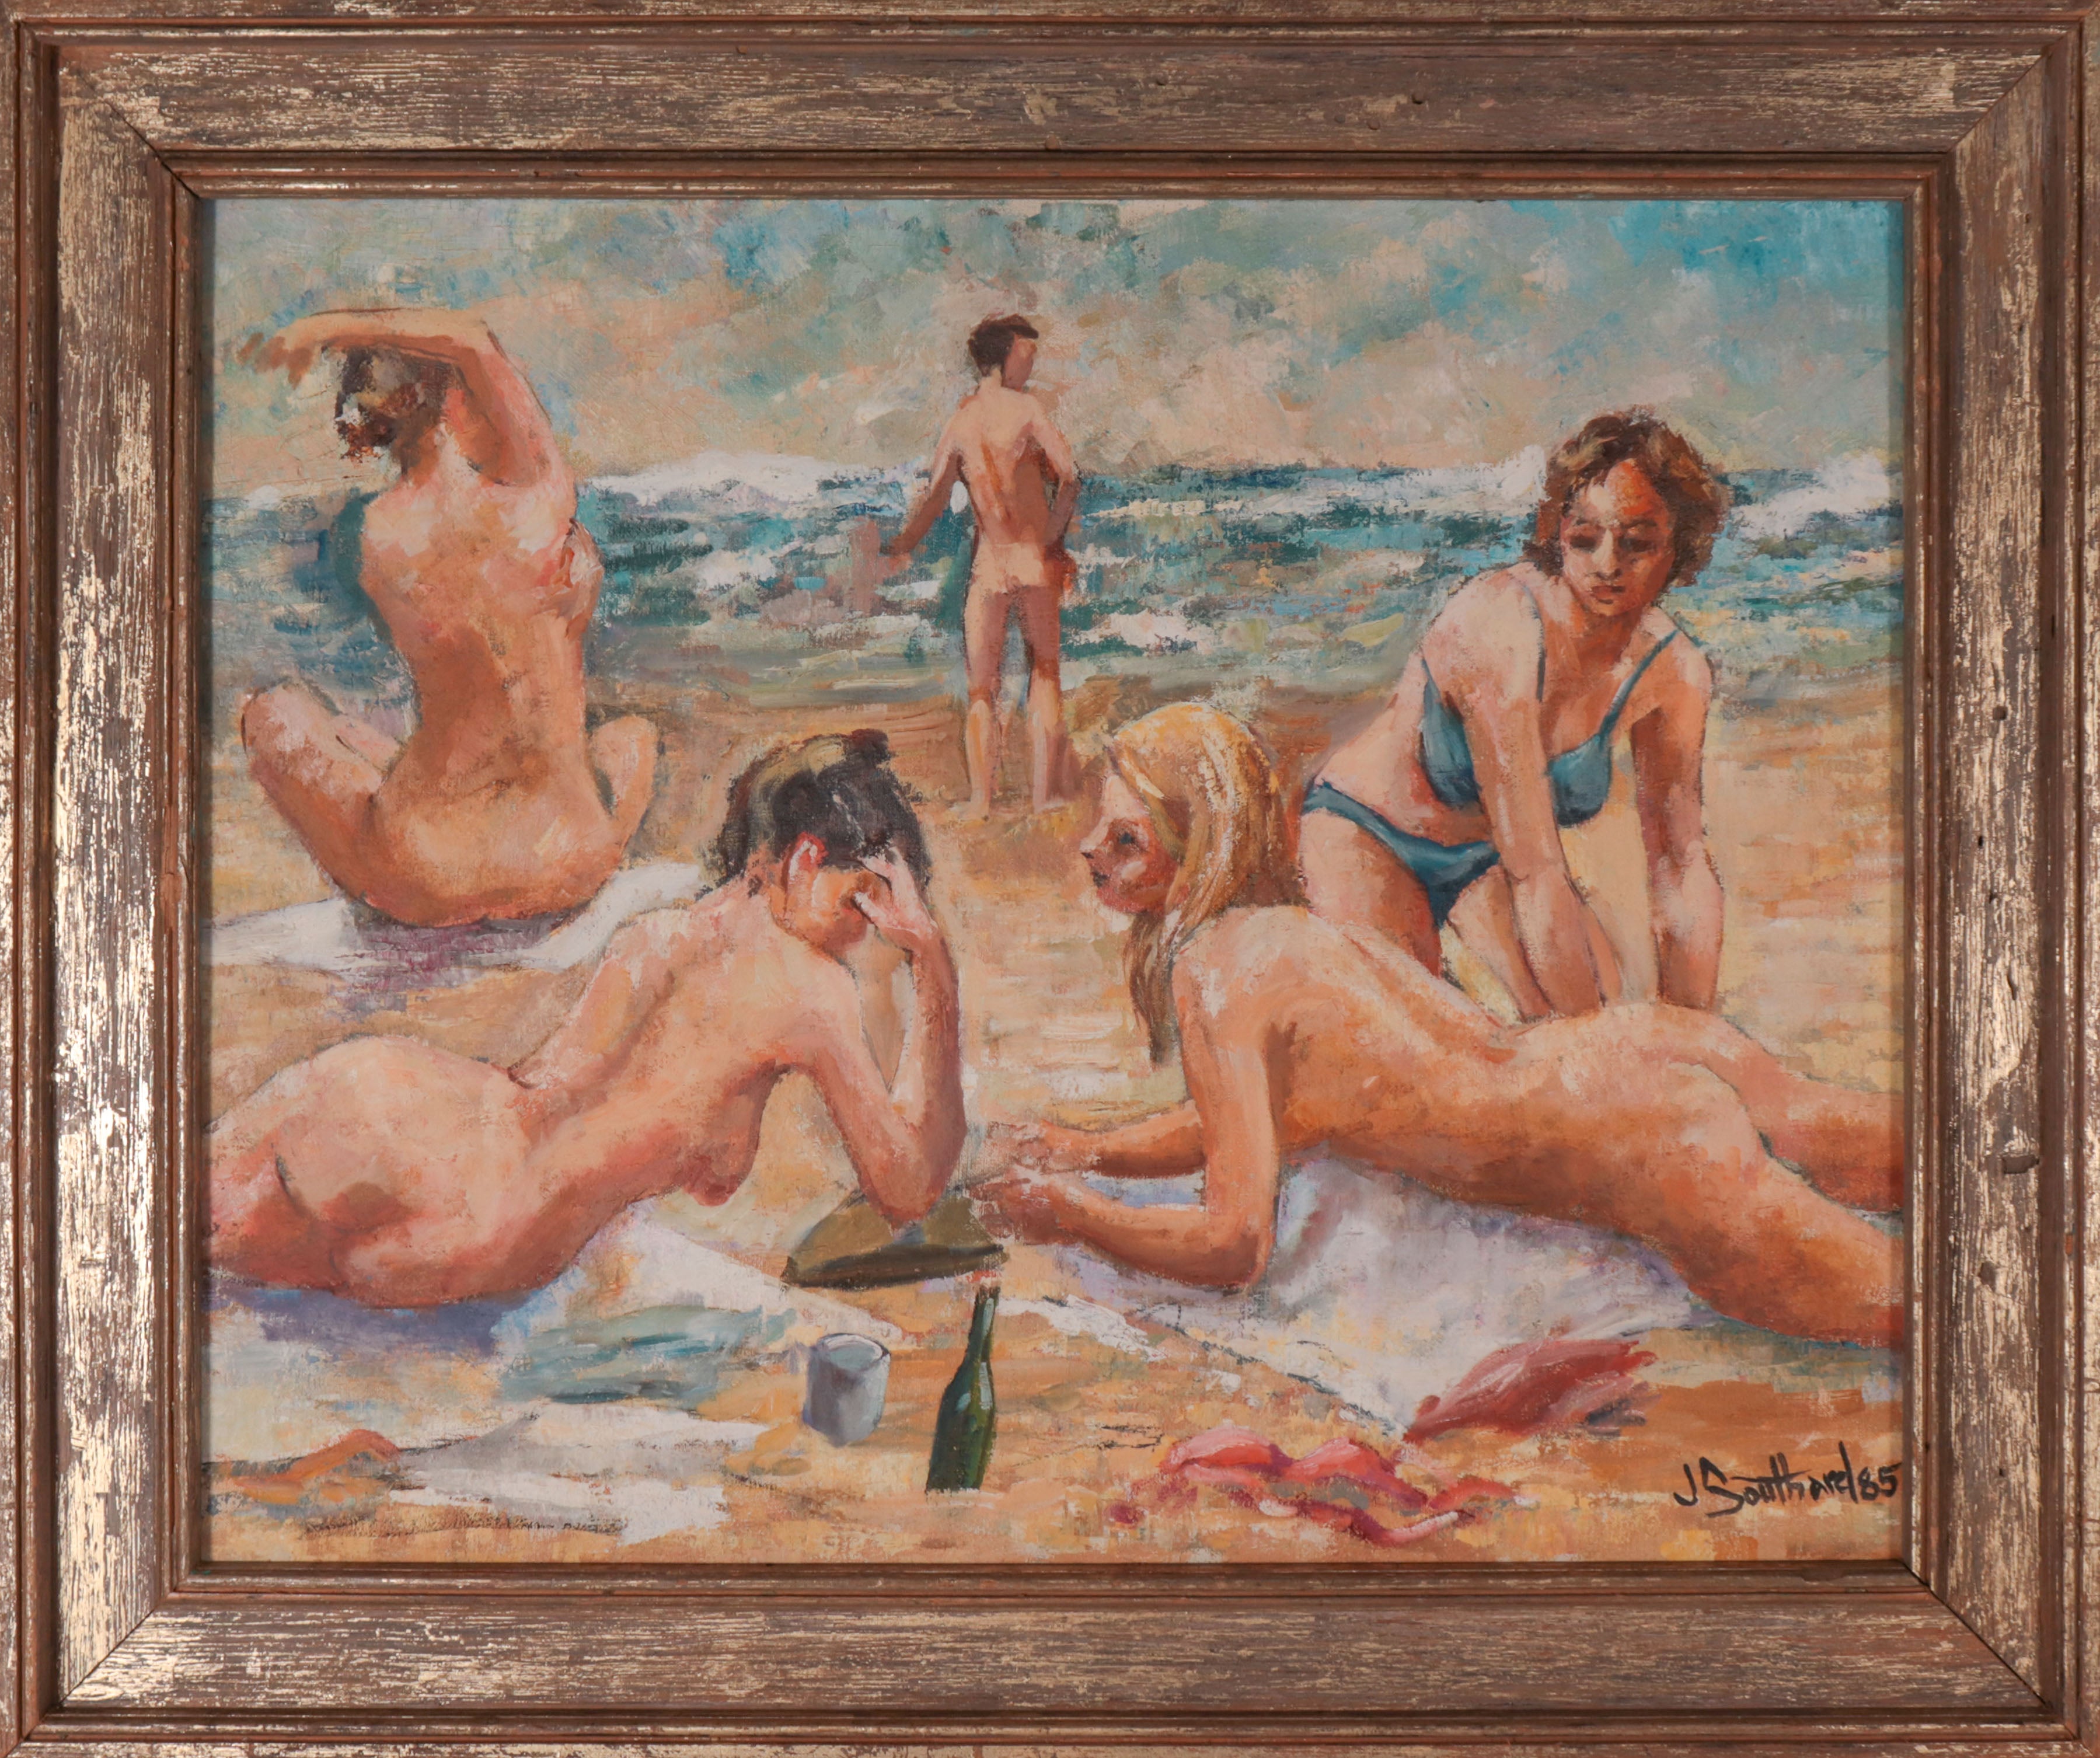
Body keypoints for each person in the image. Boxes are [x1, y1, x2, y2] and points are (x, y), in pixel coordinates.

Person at [975, 704, 1901, 1348]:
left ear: (1197, 849)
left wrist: (1071, 1214)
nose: (1089, 852)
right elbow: (1254, 1120)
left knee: (1927, 1316)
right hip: (1632, 1050)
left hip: (1636, 1139)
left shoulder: (1214, 975)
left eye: (1125, 838)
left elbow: (1232, 1245)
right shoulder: (1293, 935)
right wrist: (1087, 1150)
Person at [208, 732, 964, 1308]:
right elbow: (905, 1188)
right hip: (484, 1226)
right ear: (804, 860)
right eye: (861, 902)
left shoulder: (659, 934)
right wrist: (933, 964)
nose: (866, 935)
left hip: (396, 1093)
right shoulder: (810, 988)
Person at [1300, 410, 1729, 1018]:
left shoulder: (1673, 670)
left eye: (1637, 543)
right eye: (1585, 538)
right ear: (1557, 532)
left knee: (1612, 1018)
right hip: (1370, 831)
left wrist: (1694, 1030)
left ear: (1680, 547)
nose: (1608, 564)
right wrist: (1598, 1051)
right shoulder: (1502, 625)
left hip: (1486, 866)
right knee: (1421, 1035)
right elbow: (1536, 868)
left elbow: (1679, 865)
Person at [243, 308, 658, 926]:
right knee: (631, 738)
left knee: (273, 714)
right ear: (458, 397)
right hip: (569, 861)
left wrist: (318, 332)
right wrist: (341, 328)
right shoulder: (538, 497)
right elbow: (472, 339)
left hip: (429, 877)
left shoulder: (378, 533)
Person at [884, 314, 1080, 819]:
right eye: (1026, 356)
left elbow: (933, 500)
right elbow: (1070, 477)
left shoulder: (962, 422)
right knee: (1045, 672)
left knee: (980, 688)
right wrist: (1053, 539)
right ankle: (1044, 797)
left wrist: (902, 544)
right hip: (1033, 560)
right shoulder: (1029, 410)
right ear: (1003, 356)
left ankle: (981, 800)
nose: (1031, 366)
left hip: (989, 567)